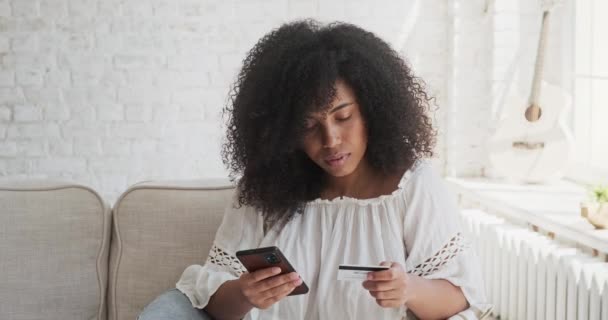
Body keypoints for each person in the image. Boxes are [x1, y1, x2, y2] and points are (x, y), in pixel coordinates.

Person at [138, 19, 492, 320]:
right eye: (308, 125)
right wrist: (246, 294)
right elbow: (211, 300)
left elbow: (460, 297)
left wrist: (408, 288)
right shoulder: (263, 189)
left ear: (373, 107)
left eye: (343, 117)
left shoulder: (412, 186)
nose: (331, 140)